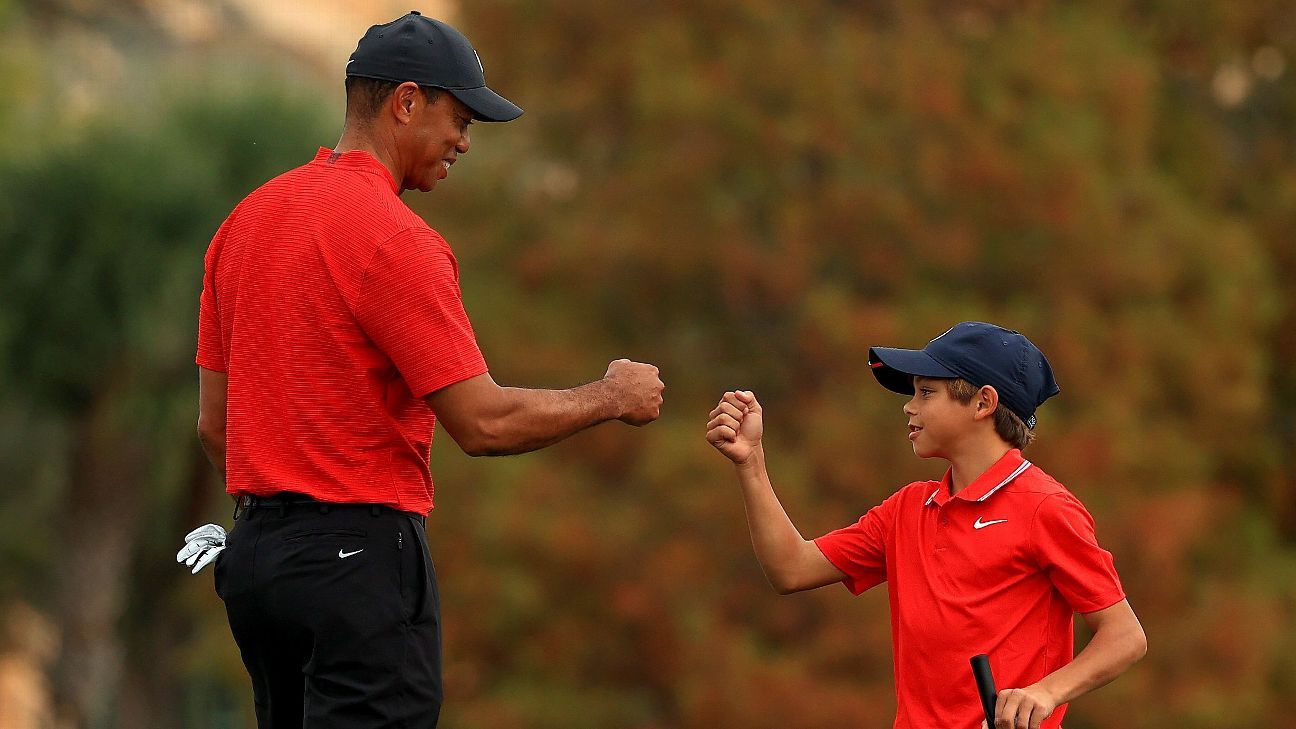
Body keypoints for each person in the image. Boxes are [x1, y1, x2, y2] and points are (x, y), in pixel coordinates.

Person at [177, 12, 664, 729]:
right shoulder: (396, 238)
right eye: (459, 118)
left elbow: (216, 426)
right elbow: (483, 422)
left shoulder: (244, 222)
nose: (465, 141)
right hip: (356, 560)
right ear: (406, 101)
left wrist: (277, 525)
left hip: (254, 565)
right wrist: (610, 395)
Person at [705, 322, 1146, 729]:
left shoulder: (1045, 508)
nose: (909, 407)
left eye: (926, 392)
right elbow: (792, 569)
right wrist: (751, 462)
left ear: (983, 403)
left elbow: (1124, 636)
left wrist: (1046, 692)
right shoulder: (908, 508)